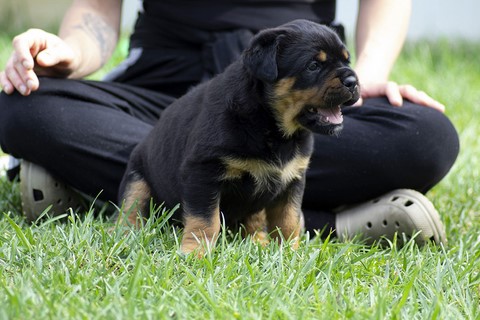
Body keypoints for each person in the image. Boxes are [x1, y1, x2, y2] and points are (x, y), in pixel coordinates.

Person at [0, 0, 459, 245]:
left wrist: (365, 79)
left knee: (427, 137)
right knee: (21, 105)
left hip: (294, 90)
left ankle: (87, 183)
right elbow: (97, 9)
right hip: (162, 85)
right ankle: (334, 224)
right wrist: (69, 53)